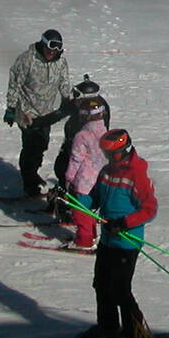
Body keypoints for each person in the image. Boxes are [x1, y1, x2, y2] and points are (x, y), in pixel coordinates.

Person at [80, 129, 158, 338]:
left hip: (126, 242)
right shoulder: (107, 171)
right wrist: (73, 201)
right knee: (101, 283)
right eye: (105, 154)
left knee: (120, 289)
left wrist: (124, 223)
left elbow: (150, 209)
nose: (107, 158)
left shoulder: (136, 174)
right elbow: (94, 198)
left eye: (111, 154)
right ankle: (108, 326)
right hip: (108, 239)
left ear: (124, 151)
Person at [4, 28, 73, 198]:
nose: (52, 52)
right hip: (26, 111)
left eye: (57, 48)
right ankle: (29, 181)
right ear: (43, 44)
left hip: (46, 113)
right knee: (31, 146)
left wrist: (68, 99)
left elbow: (64, 82)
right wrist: (11, 108)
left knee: (42, 144)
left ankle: (32, 172)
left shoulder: (60, 62)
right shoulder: (27, 59)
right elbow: (15, 83)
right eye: (50, 47)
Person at [59, 87, 111, 249]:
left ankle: (84, 241)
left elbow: (76, 159)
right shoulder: (106, 132)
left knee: (81, 212)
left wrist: (68, 177)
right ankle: (92, 235)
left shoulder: (82, 135)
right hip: (100, 179)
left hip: (84, 181)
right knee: (89, 210)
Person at [53, 77, 111, 188]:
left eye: (77, 96)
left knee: (64, 168)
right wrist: (37, 122)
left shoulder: (84, 133)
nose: (74, 99)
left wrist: (68, 177)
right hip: (79, 150)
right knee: (61, 165)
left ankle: (69, 190)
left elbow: (76, 157)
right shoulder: (93, 107)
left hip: (83, 156)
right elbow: (58, 114)